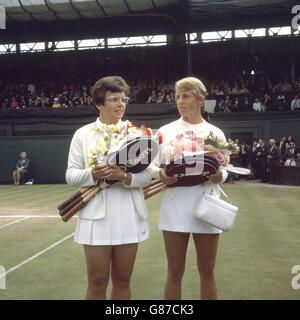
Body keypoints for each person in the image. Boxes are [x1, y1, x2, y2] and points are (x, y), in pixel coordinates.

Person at [65, 76, 152, 300]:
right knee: (97, 281)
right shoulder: (82, 134)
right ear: (98, 103)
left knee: (123, 281)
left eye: (124, 99)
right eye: (114, 99)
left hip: (129, 213)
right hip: (96, 217)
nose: (120, 104)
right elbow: (71, 175)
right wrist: (93, 174)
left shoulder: (138, 134)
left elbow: (148, 176)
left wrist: (123, 177)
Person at [149, 77, 229, 300]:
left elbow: (226, 169)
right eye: (177, 97)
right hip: (174, 206)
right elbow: (151, 166)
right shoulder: (165, 131)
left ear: (200, 99)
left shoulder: (215, 133)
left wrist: (219, 175)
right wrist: (161, 174)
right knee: (174, 271)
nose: (180, 101)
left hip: (207, 205)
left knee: (207, 271)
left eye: (186, 96)